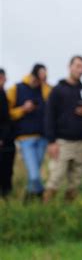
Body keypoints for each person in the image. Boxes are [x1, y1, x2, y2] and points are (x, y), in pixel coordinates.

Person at [42, 56, 82, 202]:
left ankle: (68, 211)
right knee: (56, 177)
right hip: (62, 142)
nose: (80, 70)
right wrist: (51, 141)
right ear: (69, 66)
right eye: (77, 66)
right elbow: (49, 116)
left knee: (76, 180)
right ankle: (45, 210)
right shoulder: (57, 90)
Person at [7, 64, 51, 202]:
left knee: (35, 173)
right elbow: (7, 113)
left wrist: (44, 84)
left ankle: (28, 199)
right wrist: (22, 109)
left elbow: (51, 103)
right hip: (25, 138)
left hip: (42, 138)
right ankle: (40, 194)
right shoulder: (17, 88)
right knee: (34, 176)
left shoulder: (44, 89)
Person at [0, 69, 15, 198]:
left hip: (8, 141)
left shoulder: (5, 94)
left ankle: (6, 196)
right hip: (4, 138)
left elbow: (7, 119)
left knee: (7, 170)